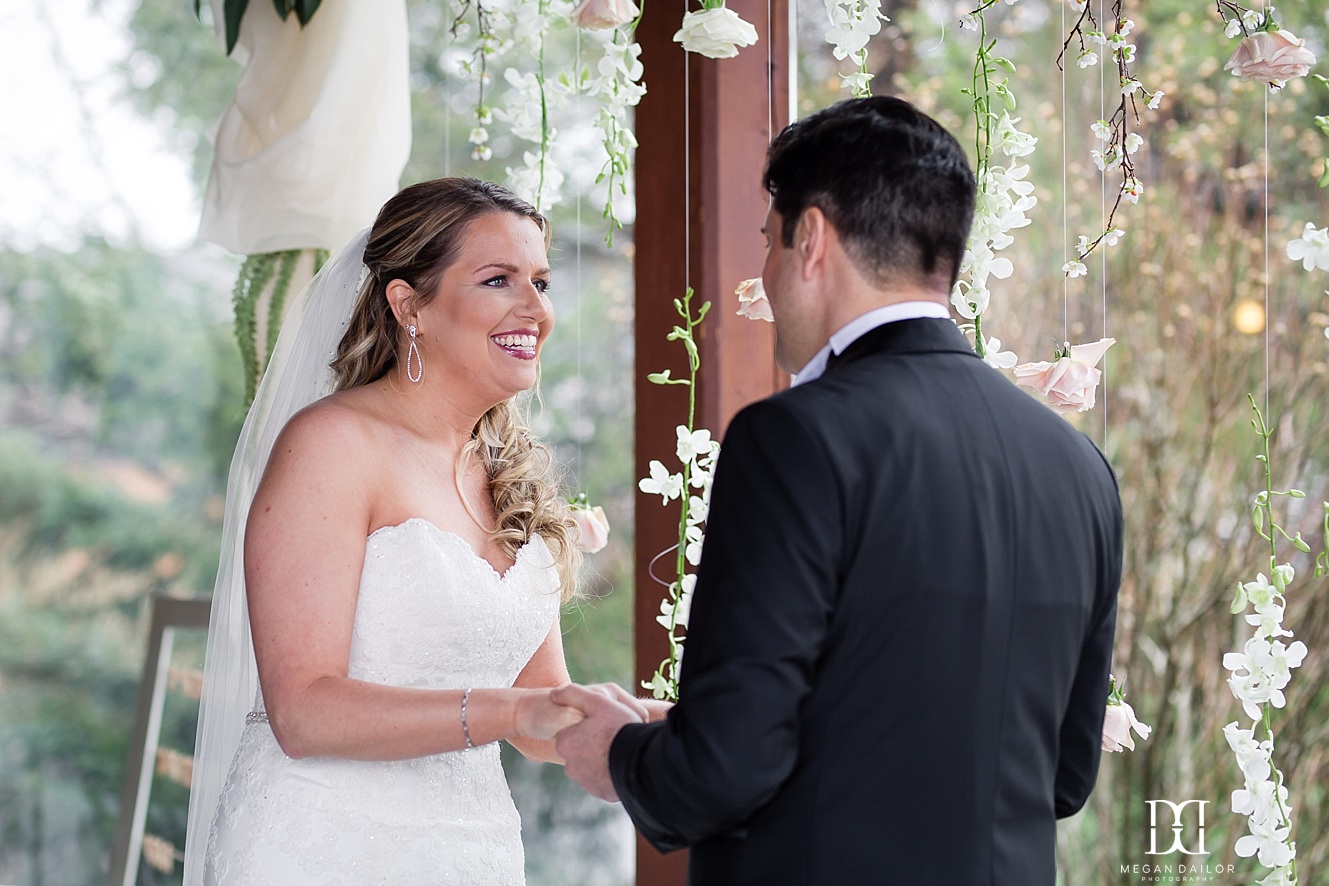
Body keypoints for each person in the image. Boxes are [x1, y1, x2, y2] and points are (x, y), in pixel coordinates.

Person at [553, 96, 1124, 884]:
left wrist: (616, 753)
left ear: (810, 238)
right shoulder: (1077, 466)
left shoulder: (794, 437)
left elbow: (724, 770)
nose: (764, 271)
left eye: (766, 241)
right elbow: (1061, 775)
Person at [184, 177, 646, 885]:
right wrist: (513, 710)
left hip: (472, 852)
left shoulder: (512, 476)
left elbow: (543, 708)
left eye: (541, 282)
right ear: (410, 306)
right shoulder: (333, 444)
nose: (536, 309)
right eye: (499, 280)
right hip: (318, 849)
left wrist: (683, 722)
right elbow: (302, 710)